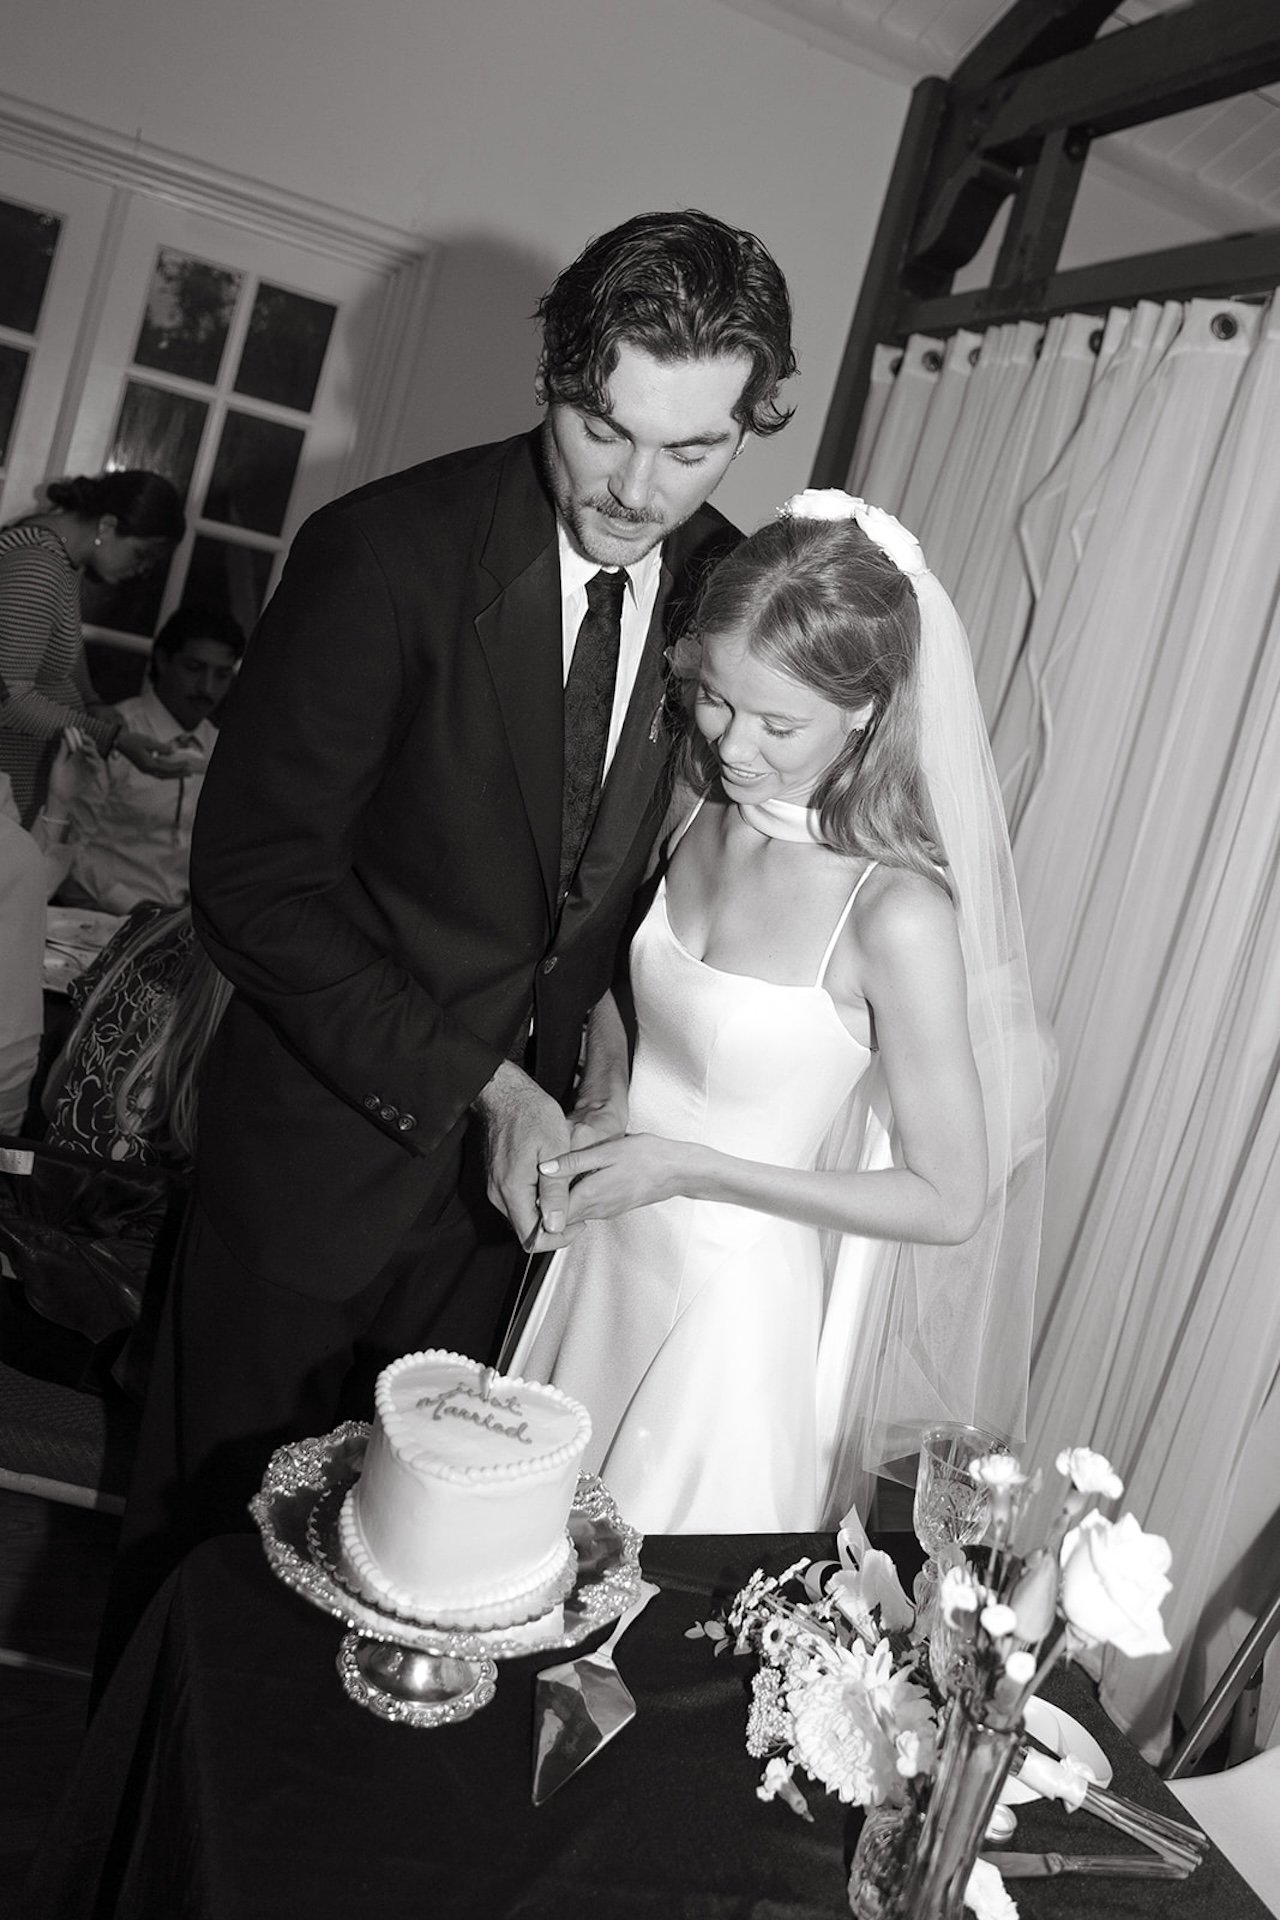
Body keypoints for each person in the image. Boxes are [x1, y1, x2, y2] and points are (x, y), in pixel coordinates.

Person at [98, 209, 796, 1673]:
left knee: (420, 1614)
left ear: (749, 426)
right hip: (314, 1179)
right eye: (607, 428)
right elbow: (254, 881)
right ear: (555, 371)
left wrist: (607, 1072)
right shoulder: (381, 554)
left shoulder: (740, 596)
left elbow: (641, 903)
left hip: (515, 1242)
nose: (638, 488)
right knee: (203, 1589)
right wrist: (484, 1086)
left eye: (694, 450)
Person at [511, 492, 1046, 1534]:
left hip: (725, 1319)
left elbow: (949, 1199)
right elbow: (635, 989)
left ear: (867, 708)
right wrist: (606, 1101)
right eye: (712, 699)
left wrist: (688, 1167)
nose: (732, 744)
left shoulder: (894, 913)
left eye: (776, 722)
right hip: (601, 1257)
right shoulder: (696, 806)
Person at [0, 470, 188, 825]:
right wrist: (110, 739)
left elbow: (61, 643)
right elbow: (8, 699)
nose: (144, 569)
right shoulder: (38, 567)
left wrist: (92, 700)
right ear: (107, 525)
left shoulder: (61, 557)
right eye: (143, 554)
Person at [49, 606, 245, 914]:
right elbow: (67, 846)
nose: (207, 688)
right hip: (95, 921)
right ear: (163, 660)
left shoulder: (224, 750)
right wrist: (137, 910)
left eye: (221, 674)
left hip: (178, 930)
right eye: (194, 668)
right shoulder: (118, 734)